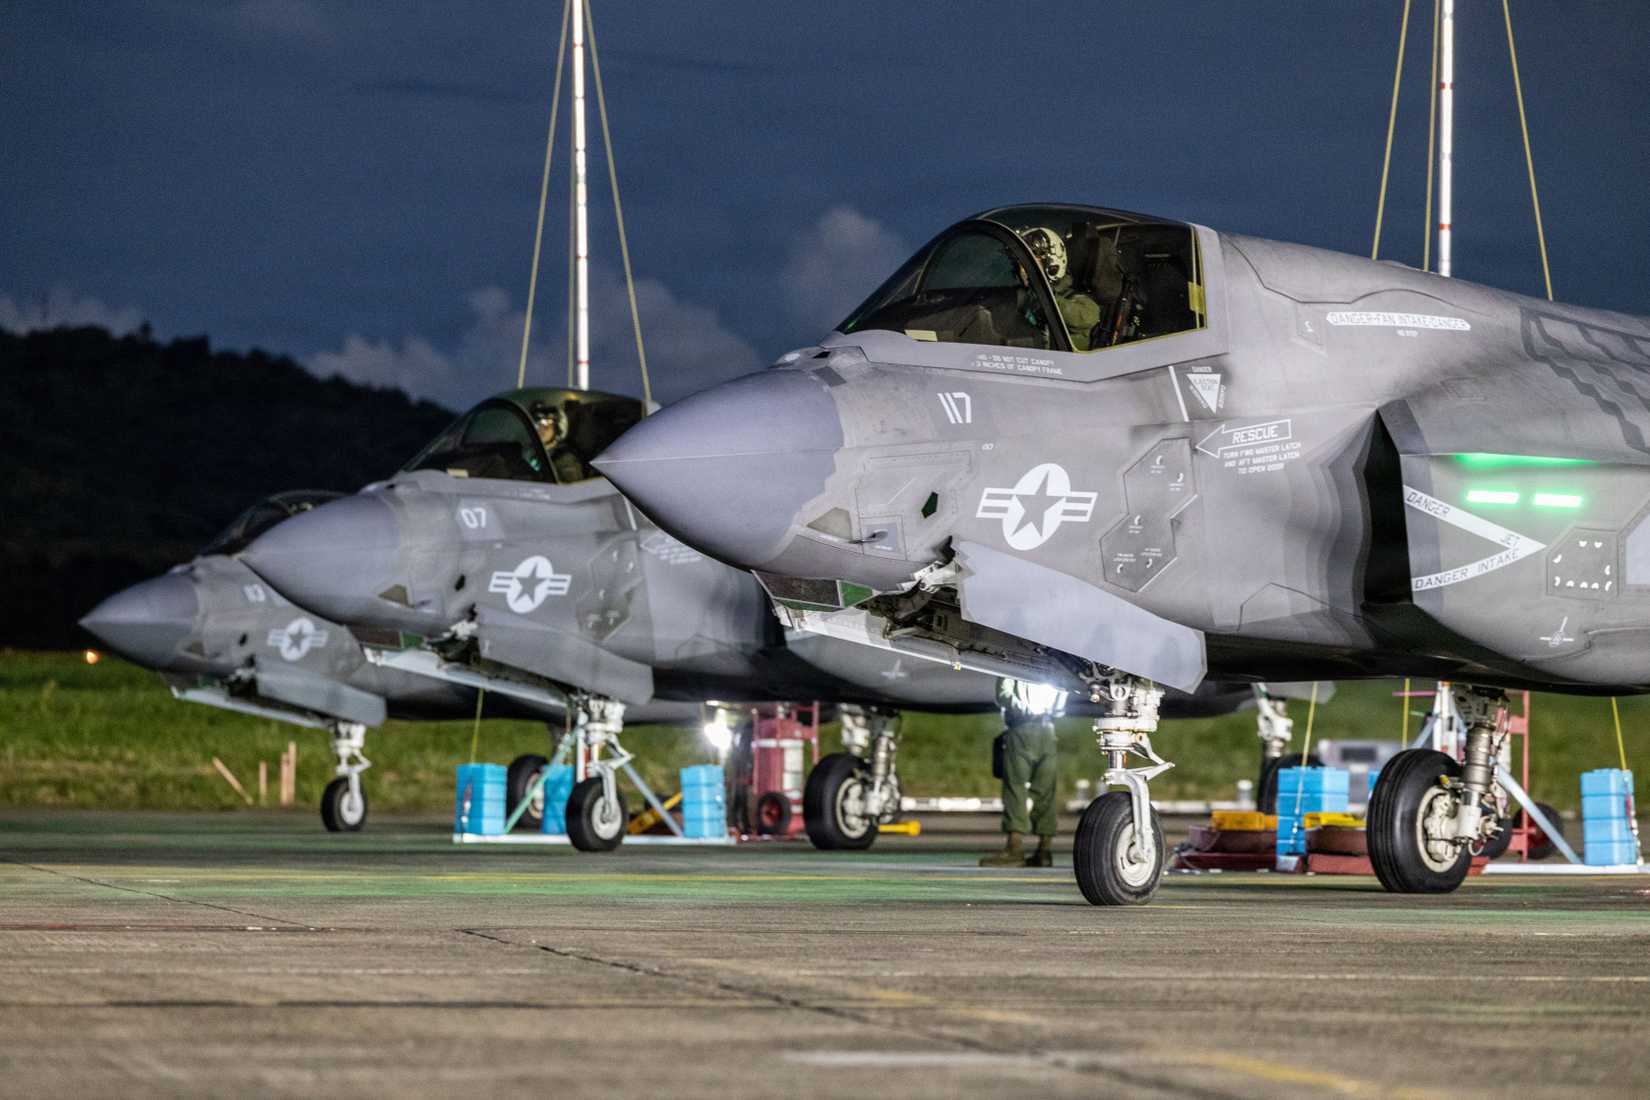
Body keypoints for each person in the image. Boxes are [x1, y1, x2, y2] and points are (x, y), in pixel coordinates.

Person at [980, 677, 1065, 867]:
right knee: (1046, 791)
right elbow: (1061, 698)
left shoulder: (1015, 657)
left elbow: (1003, 695)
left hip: (1021, 730)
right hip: (1048, 731)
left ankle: (1015, 848)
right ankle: (1044, 850)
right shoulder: (1052, 663)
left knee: (1016, 789)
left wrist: (1021, 708)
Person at [1019, 226, 1101, 351]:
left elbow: (1087, 317)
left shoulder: (1075, 299)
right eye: (1021, 265)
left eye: (1030, 264)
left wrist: (1043, 295)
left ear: (1052, 264)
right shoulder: (1025, 295)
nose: (1023, 271)